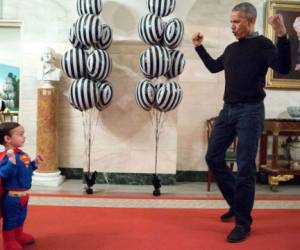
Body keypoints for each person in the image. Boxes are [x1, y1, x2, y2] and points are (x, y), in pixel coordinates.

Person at [192, 2, 291, 243]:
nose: (232, 26)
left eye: (236, 22)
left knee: (245, 166)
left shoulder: (263, 45)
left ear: (250, 21)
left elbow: (285, 67)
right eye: (231, 22)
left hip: (251, 111)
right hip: (228, 111)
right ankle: (237, 205)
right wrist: (199, 47)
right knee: (213, 157)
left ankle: (243, 223)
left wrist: (282, 35)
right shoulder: (231, 49)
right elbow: (215, 66)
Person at [0, 122, 43, 250]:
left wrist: (35, 163)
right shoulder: (5, 157)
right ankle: (9, 240)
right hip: (11, 197)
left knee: (21, 217)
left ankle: (18, 235)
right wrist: (11, 162)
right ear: (7, 139)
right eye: (20, 134)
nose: (23, 137)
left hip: (23, 195)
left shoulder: (22, 154)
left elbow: (27, 168)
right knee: (11, 219)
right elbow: (3, 174)